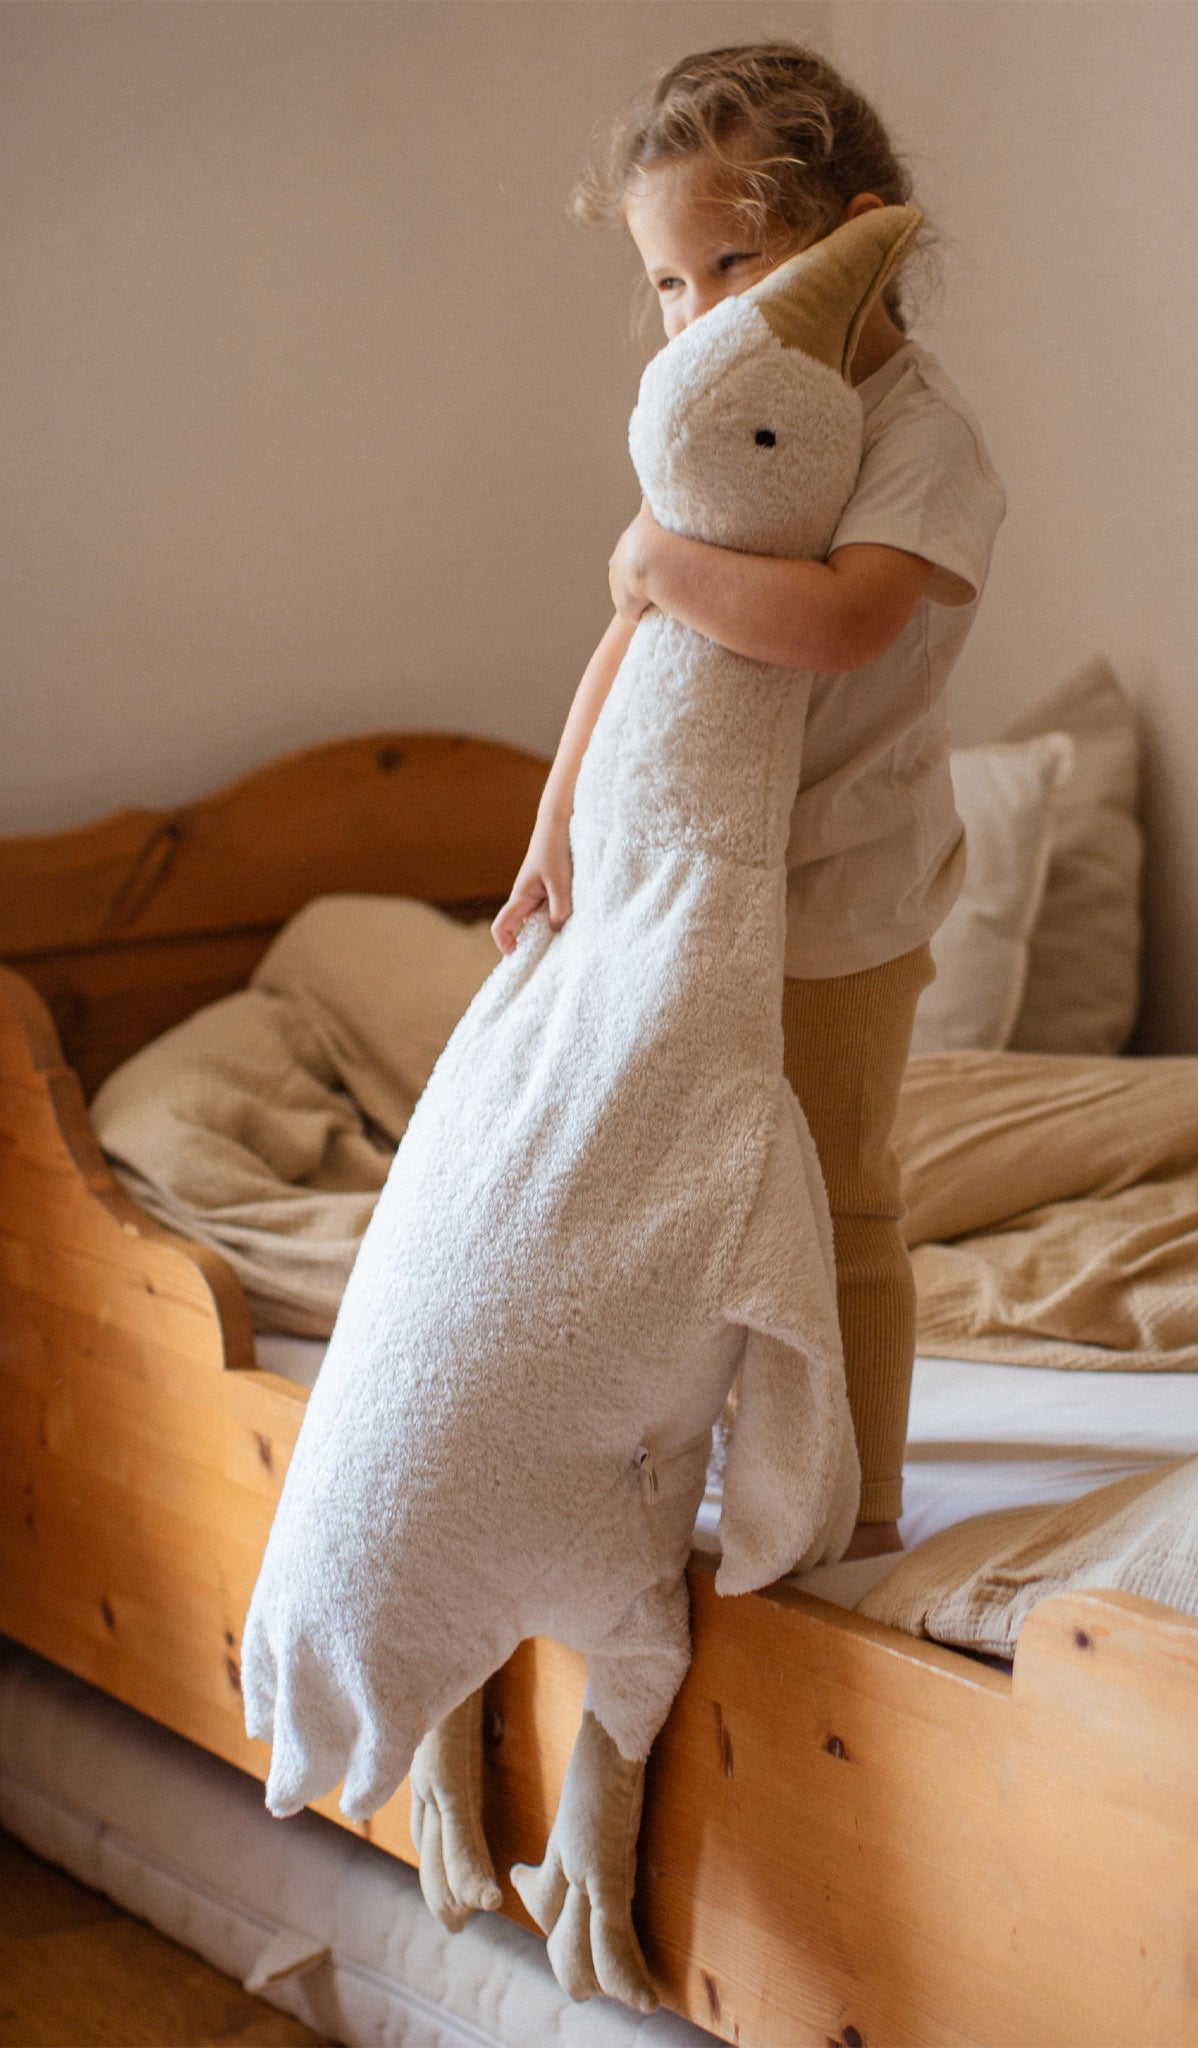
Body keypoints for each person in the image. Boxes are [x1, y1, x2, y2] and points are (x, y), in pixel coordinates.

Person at [492, 42, 1006, 1562]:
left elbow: (849, 620)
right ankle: (681, 1465)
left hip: (841, 892)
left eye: (733, 261)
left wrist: (657, 559)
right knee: (680, 1192)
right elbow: (629, 646)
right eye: (667, 284)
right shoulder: (717, 423)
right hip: (693, 892)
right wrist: (551, 826)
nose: (697, 312)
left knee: (837, 1195)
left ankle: (865, 1501)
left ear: (851, 238)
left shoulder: (921, 435)